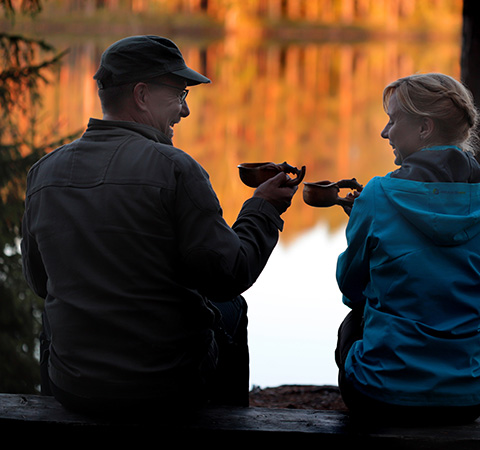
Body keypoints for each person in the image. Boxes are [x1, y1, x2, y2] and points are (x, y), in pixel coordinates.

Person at [21, 35, 298, 415]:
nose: (184, 111)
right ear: (142, 95)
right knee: (231, 306)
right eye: (180, 94)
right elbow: (230, 273)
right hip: (166, 389)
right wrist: (263, 208)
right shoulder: (176, 168)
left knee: (57, 315)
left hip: (74, 387)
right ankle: (233, 427)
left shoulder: (43, 173)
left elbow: (40, 282)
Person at [334, 73, 480, 425]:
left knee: (353, 321)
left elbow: (351, 288)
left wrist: (365, 221)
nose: (385, 133)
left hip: (379, 393)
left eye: (393, 120)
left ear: (424, 128)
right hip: (469, 396)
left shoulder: (376, 195)